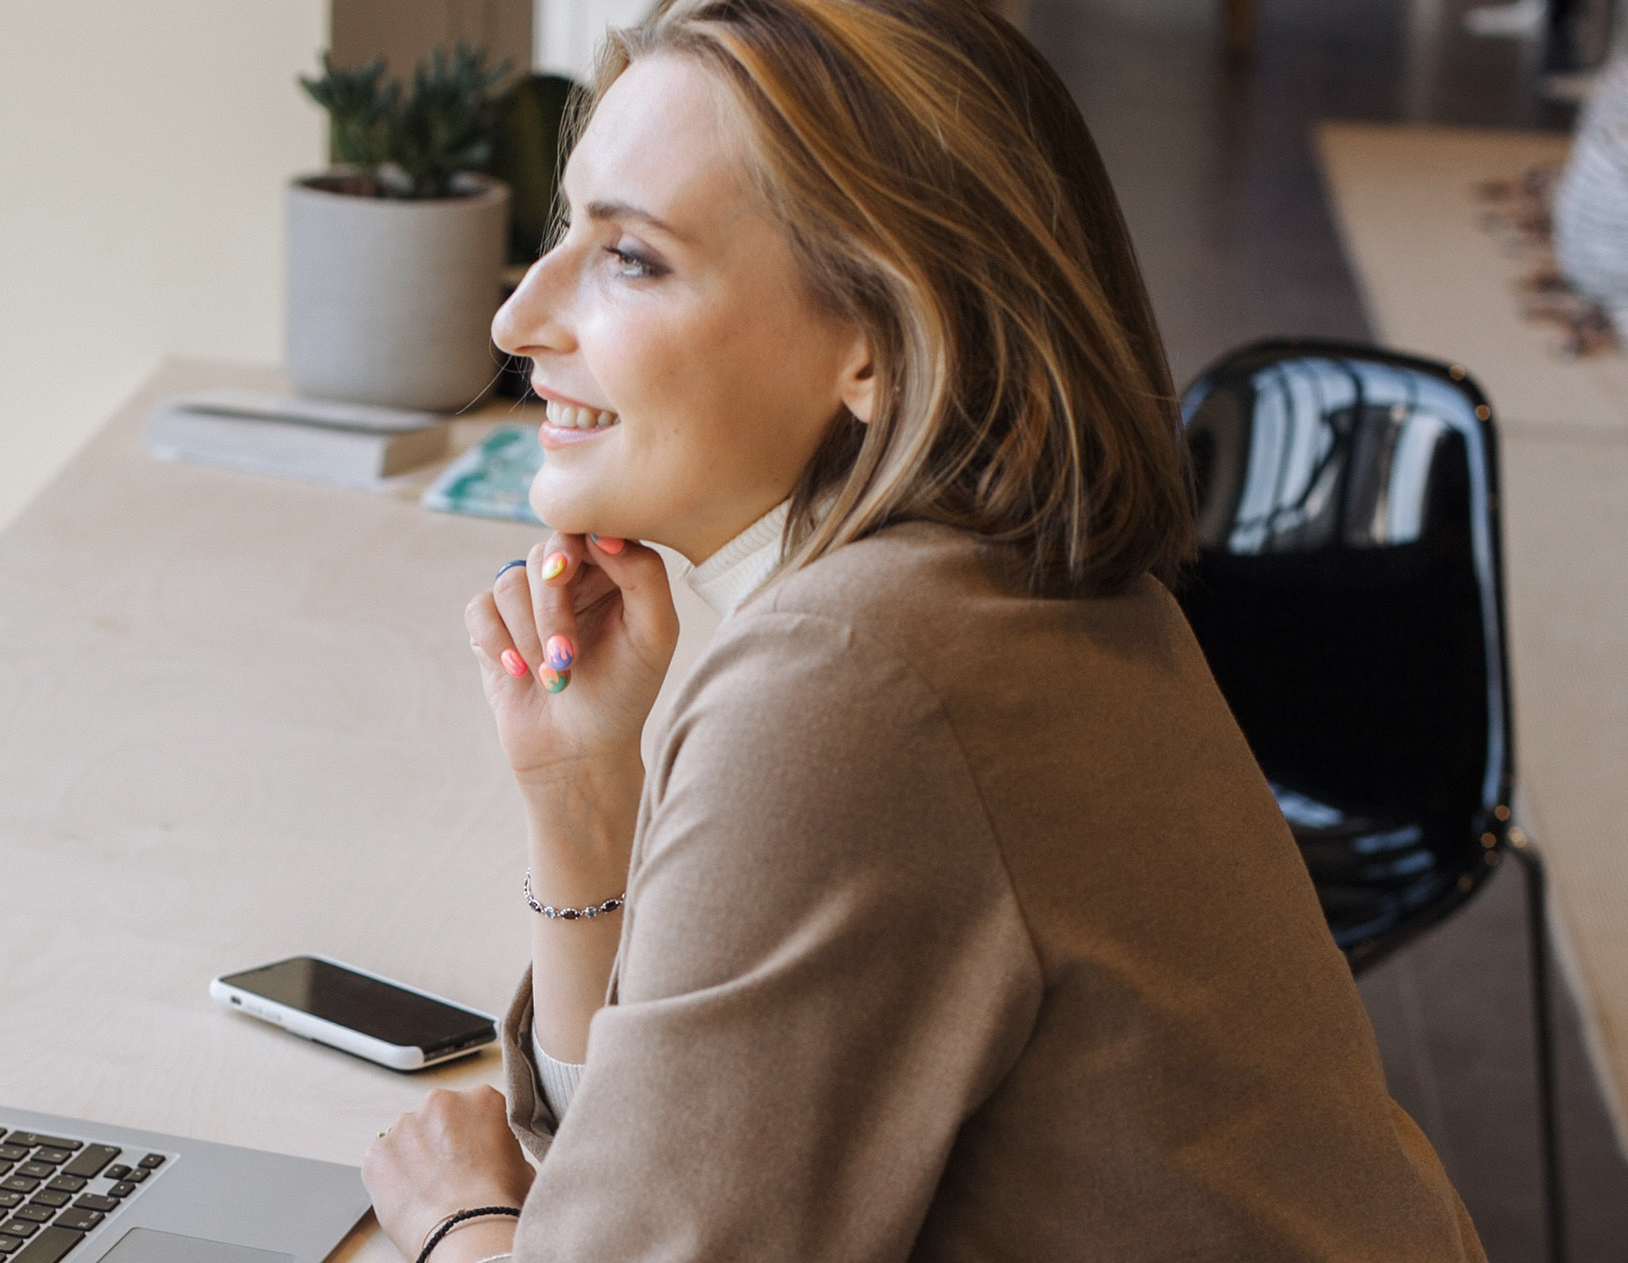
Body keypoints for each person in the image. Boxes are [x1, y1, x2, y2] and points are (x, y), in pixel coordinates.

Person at [360, 1, 1485, 1260]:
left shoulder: (858, 672)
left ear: (876, 342)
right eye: (568, 228)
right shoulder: (978, 587)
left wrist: (451, 1220)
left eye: (633, 258)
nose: (517, 320)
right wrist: (578, 798)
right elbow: (650, 1174)